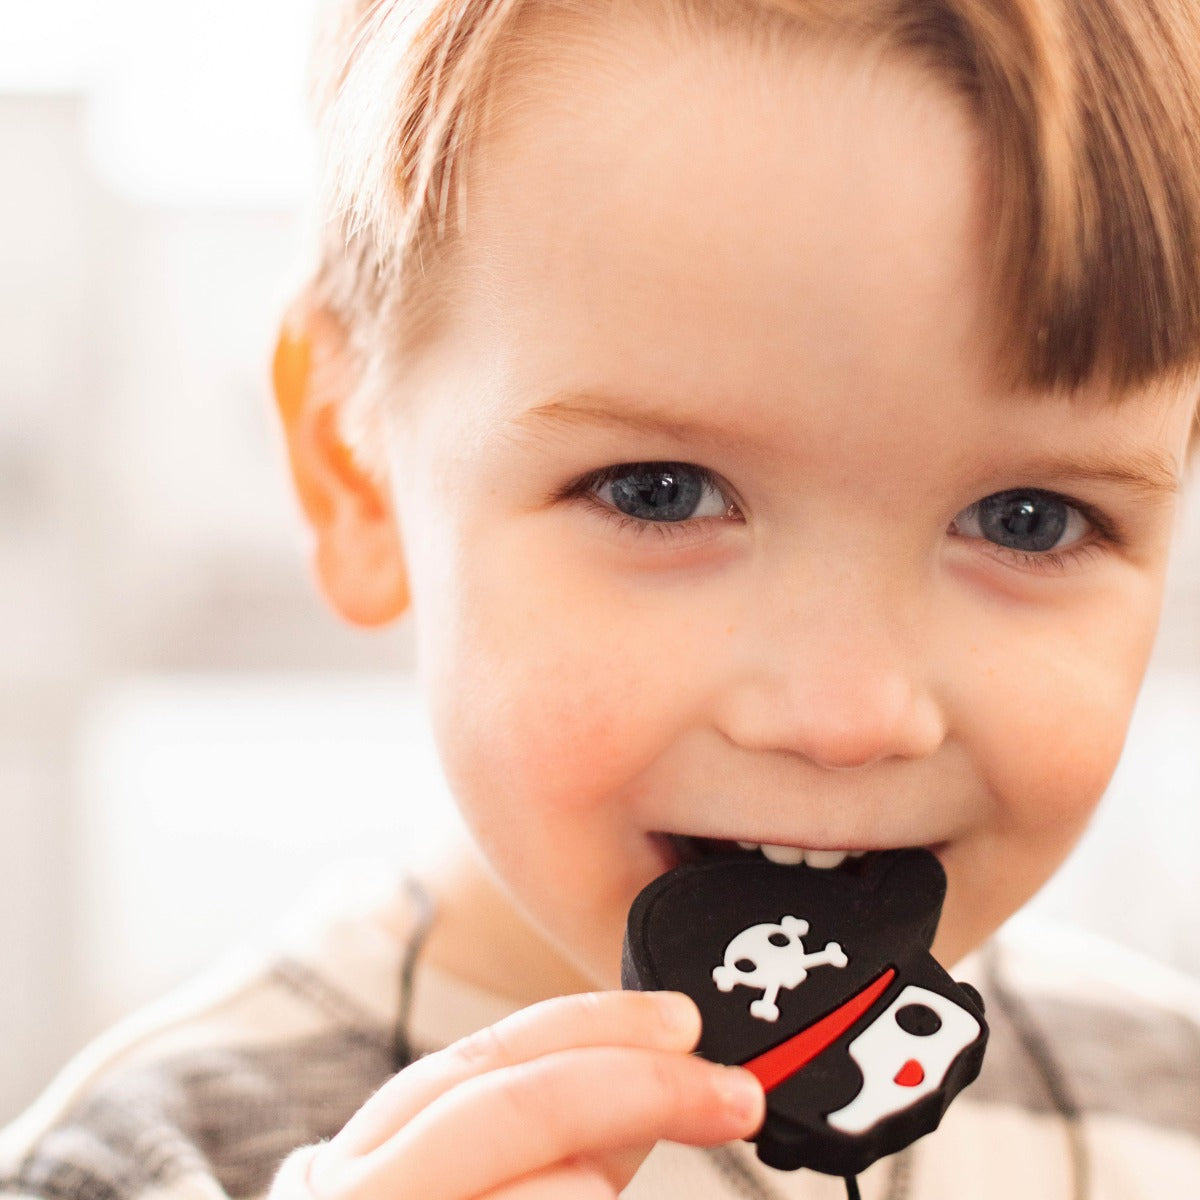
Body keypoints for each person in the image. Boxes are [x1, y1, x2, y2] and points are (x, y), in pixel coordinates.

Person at [4, 0, 1200, 1196]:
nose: (847, 716)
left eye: (1026, 518)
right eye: (661, 493)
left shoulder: (1173, 1116)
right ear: (352, 470)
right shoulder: (140, 1168)